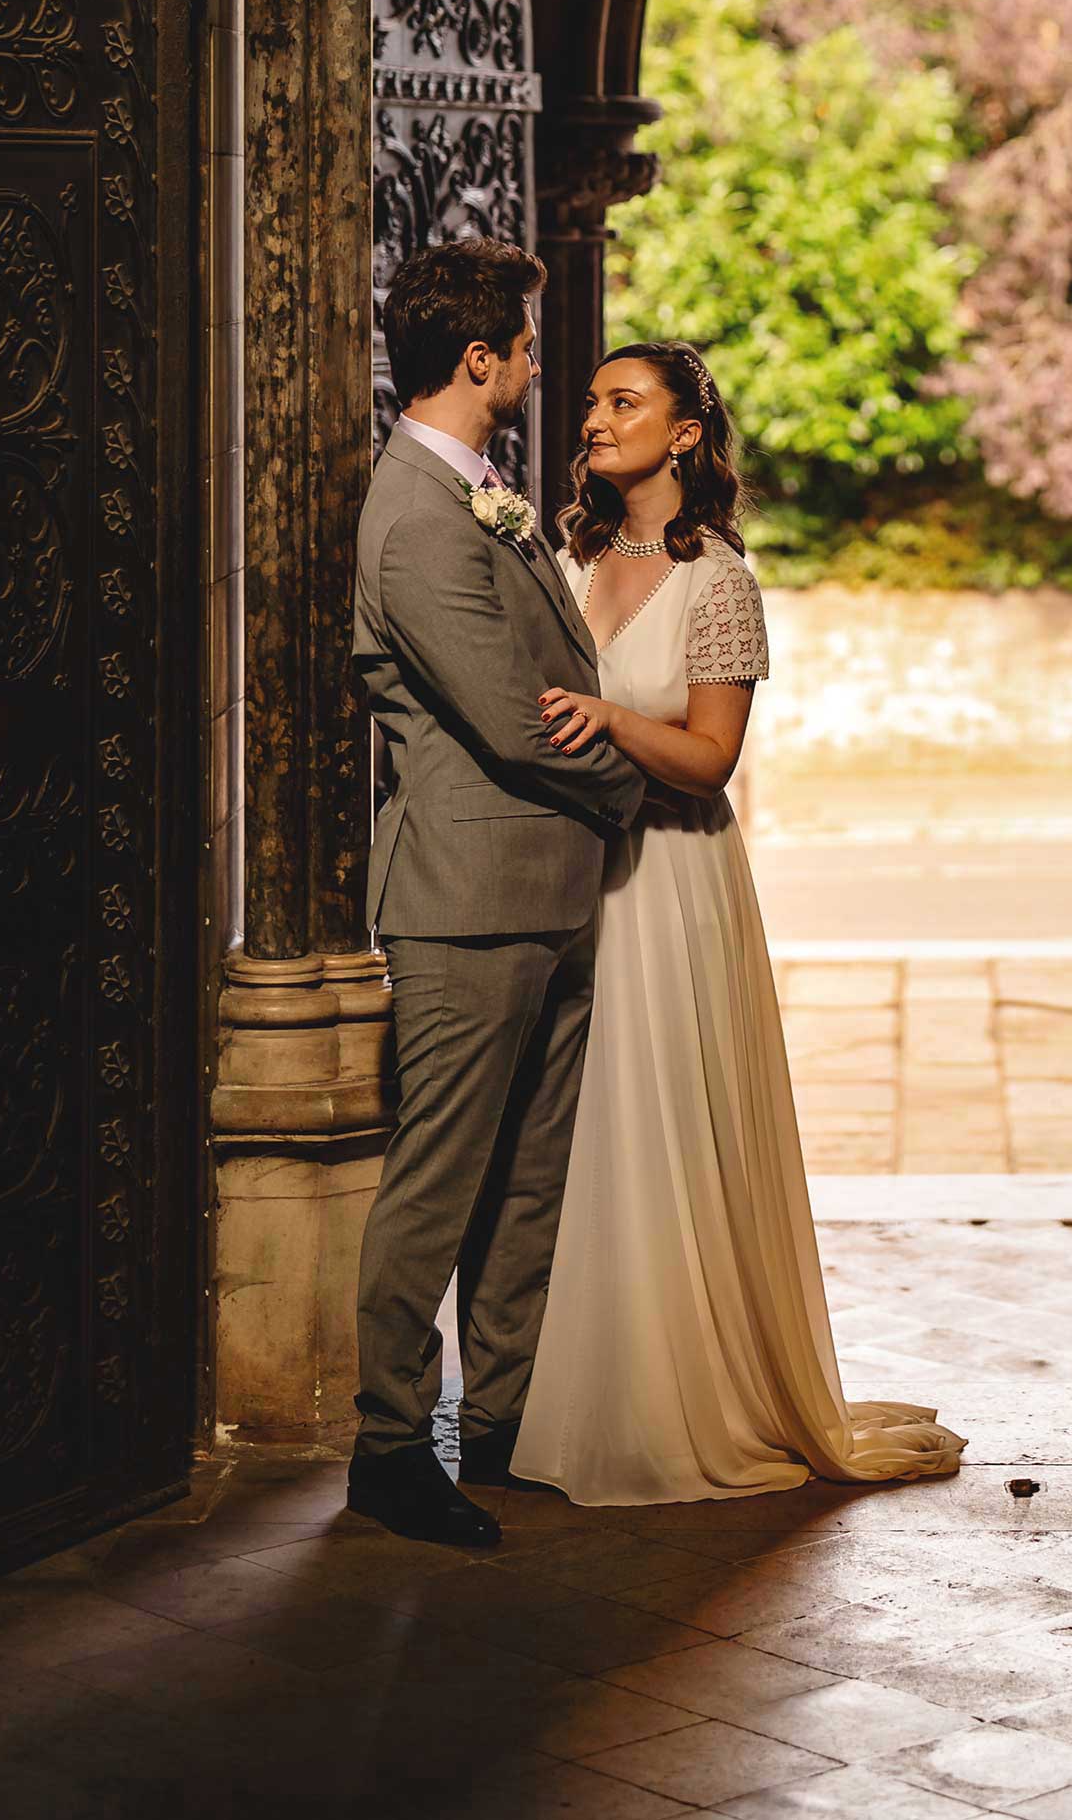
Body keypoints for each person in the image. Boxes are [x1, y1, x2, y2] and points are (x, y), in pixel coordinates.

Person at [511, 339, 963, 1503]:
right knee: (573, 1134)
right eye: (594, 398)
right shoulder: (563, 556)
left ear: (684, 436)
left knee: (658, 1116)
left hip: (671, 882)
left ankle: (679, 1395)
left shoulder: (718, 580)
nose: (594, 418)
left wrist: (605, 722)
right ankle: (557, 1391)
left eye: (625, 402)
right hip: (568, 875)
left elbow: (709, 761)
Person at [346, 242, 647, 1550]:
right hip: (467, 897)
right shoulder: (414, 513)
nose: (539, 364)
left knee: (528, 1184)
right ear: (480, 357)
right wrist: (644, 784)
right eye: (526, 345)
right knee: (440, 1184)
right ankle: (388, 1443)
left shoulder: (479, 492)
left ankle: (505, 1422)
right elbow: (519, 723)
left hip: (546, 886)